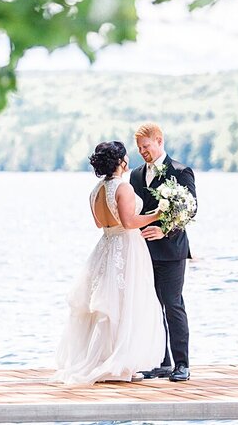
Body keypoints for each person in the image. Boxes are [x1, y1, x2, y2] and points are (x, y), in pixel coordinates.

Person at [53, 141, 166, 385]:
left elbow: (99, 223)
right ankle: (119, 363)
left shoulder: (95, 190)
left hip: (105, 246)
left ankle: (107, 358)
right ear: (120, 161)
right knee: (126, 302)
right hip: (126, 248)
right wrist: (159, 213)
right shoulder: (122, 188)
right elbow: (129, 223)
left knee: (108, 304)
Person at [130, 122, 196, 382]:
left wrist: (164, 230)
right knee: (152, 307)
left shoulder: (180, 171)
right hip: (143, 251)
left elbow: (190, 210)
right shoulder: (135, 175)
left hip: (171, 251)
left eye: (146, 146)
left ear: (159, 140)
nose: (142, 152)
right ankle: (161, 362)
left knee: (172, 304)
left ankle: (182, 364)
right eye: (139, 149)